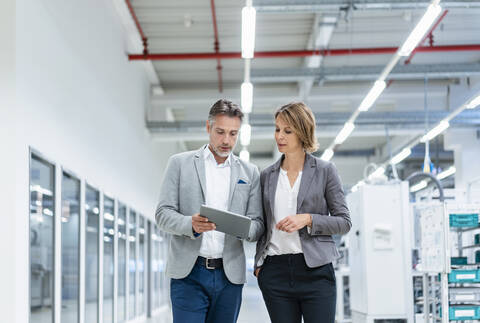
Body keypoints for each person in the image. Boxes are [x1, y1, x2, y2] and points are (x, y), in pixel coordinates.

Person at [155, 99, 264, 323]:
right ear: (208, 127)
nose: (226, 140)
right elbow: (163, 213)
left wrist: (244, 229)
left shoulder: (250, 172)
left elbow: (258, 224)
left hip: (229, 276)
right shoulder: (179, 163)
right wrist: (190, 224)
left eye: (233, 134)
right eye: (220, 132)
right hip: (189, 274)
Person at [254, 102, 352, 323]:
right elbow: (262, 224)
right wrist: (259, 266)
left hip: (315, 271)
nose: (280, 136)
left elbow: (344, 222)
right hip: (275, 272)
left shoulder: (326, 171)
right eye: (277, 129)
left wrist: (308, 219)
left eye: (288, 131)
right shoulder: (267, 176)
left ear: (303, 132)